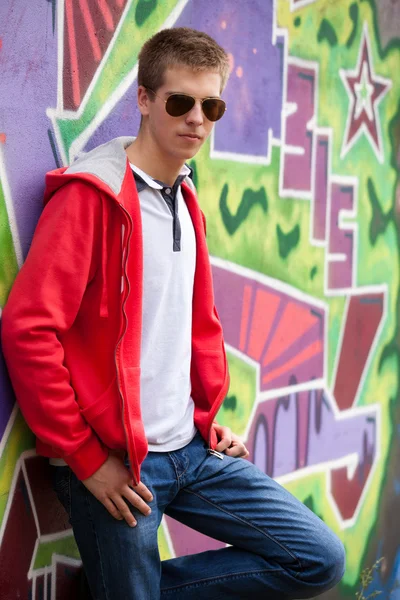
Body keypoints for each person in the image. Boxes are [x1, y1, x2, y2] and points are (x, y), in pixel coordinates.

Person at [1, 27, 345, 600]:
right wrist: (87, 460)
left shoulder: (184, 198)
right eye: (179, 102)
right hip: (118, 466)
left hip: (191, 451)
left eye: (210, 106)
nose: (197, 120)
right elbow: (29, 330)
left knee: (317, 558)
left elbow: (196, 324)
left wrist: (207, 418)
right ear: (143, 98)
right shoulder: (92, 199)